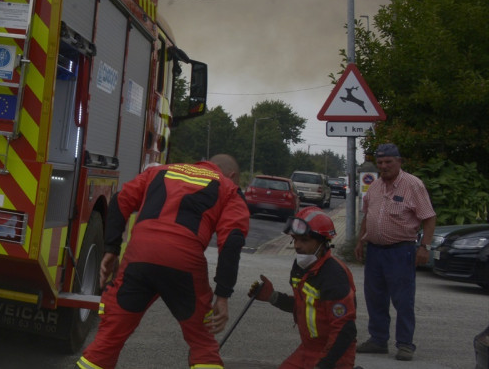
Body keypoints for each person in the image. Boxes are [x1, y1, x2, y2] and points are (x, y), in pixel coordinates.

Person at [77, 155, 249, 369]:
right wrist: (223, 296)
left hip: (140, 256)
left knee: (109, 338)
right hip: (185, 262)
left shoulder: (158, 171)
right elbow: (232, 241)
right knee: (202, 342)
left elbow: (120, 200)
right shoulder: (228, 188)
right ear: (232, 175)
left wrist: (111, 249)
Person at [354, 143, 436, 362]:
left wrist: (425, 247)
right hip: (375, 252)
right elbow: (367, 215)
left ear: (399, 161)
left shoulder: (413, 185)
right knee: (375, 298)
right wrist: (360, 242)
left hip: (401, 252)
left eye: (388, 162)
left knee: (403, 299)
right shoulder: (375, 186)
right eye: (380, 163)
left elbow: (429, 217)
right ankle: (378, 340)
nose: (384, 166)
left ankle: (405, 344)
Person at [249, 207, 357, 369]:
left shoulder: (334, 275)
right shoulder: (301, 267)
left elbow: (345, 329)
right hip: (308, 350)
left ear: (322, 242)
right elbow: (305, 306)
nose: (297, 246)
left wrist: (324, 364)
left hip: (334, 355)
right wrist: (272, 296)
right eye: (295, 239)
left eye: (304, 240)